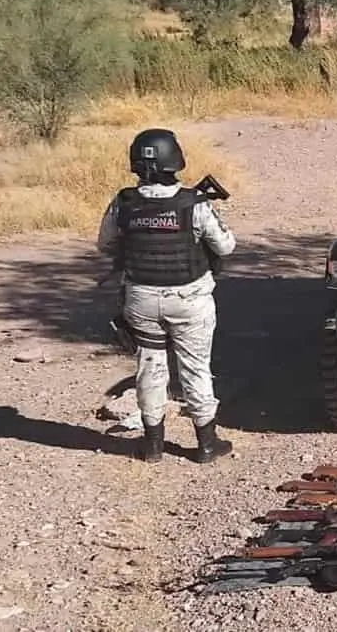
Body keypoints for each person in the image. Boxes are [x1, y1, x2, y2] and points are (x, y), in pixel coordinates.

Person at [97, 128, 237, 464]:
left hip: (141, 298)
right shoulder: (195, 203)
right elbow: (226, 246)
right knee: (195, 369)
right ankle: (206, 445)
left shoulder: (124, 203)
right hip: (189, 298)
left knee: (150, 367)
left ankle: (153, 446)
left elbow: (105, 244)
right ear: (175, 160)